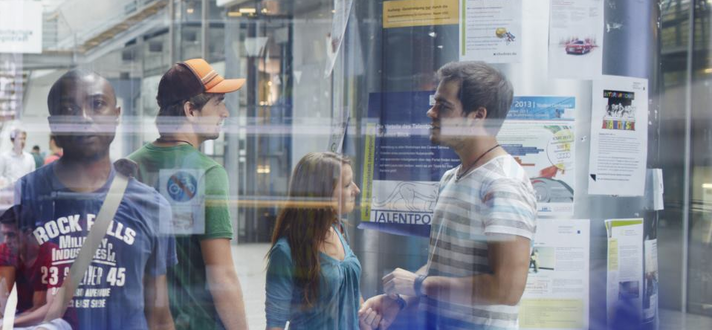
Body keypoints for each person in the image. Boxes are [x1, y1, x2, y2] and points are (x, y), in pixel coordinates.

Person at [0, 70, 176, 330]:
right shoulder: (15, 201)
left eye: (97, 104)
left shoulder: (151, 207)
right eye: (69, 108)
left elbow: (159, 317)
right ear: (54, 123)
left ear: (117, 115)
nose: (84, 118)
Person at [362, 61, 537, 329]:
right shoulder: (451, 177)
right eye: (435, 103)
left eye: (443, 106)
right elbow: (440, 270)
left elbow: (507, 289)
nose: (431, 112)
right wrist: (400, 300)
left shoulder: (502, 184)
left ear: (478, 116)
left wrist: (420, 284)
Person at [126, 58, 248, 329]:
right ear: (191, 110)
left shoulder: (128, 167)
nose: (225, 113)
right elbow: (222, 276)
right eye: (218, 102)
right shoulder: (207, 174)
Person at [265, 152, 375, 330]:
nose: (356, 190)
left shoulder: (338, 230)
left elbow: (350, 293)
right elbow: (275, 325)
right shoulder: (286, 251)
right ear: (323, 193)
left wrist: (366, 315)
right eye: (347, 185)